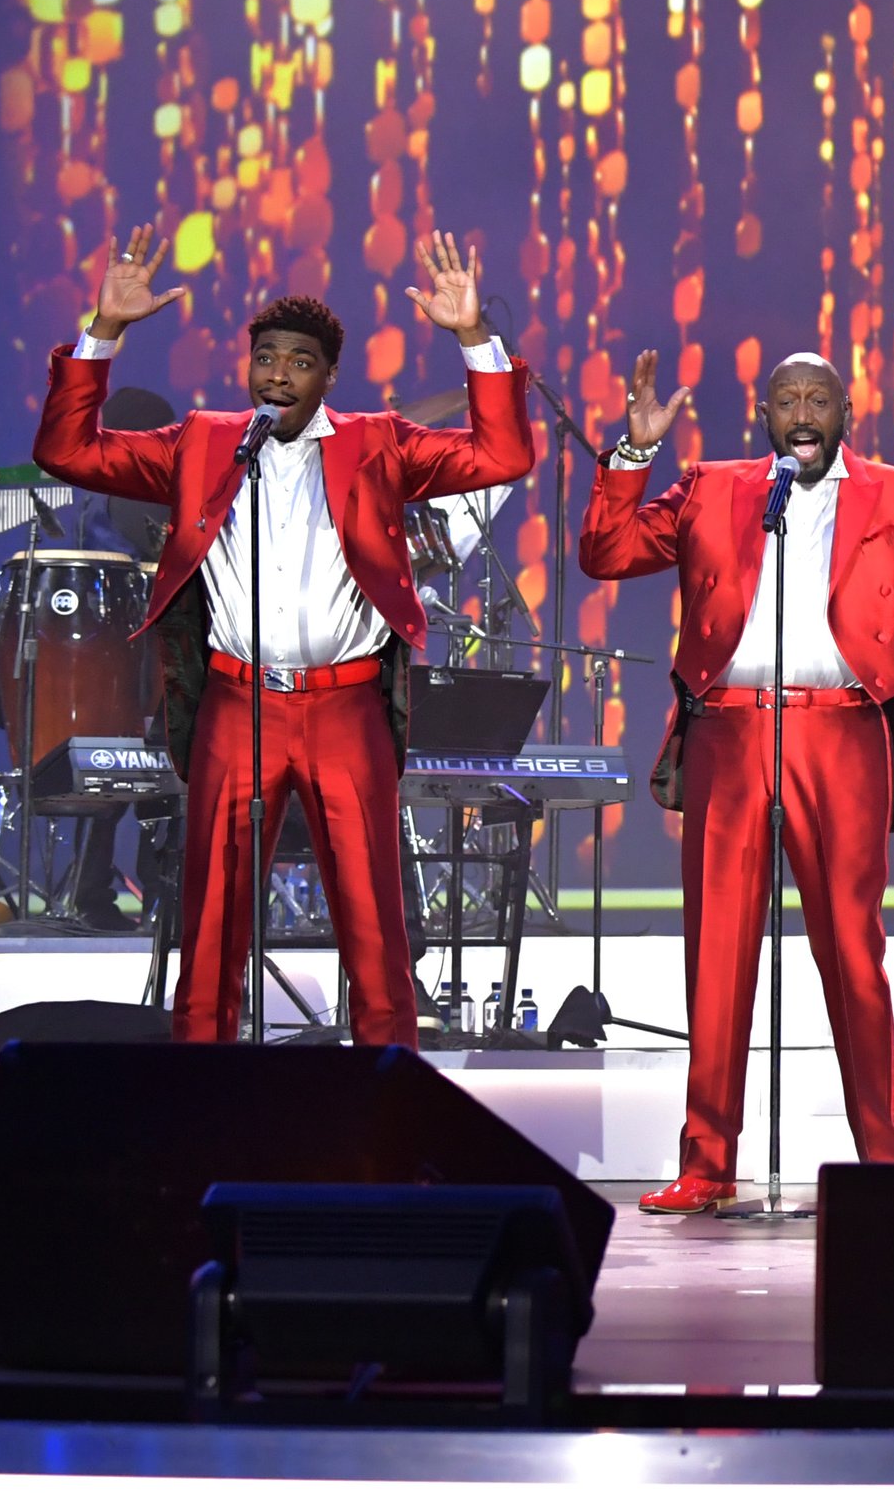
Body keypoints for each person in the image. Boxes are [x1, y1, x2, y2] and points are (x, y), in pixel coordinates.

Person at [32, 224, 533, 1045]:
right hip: (236, 705)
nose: (278, 373)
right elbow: (65, 448)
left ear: (328, 376)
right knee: (211, 940)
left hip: (345, 709)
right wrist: (105, 332)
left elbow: (503, 453)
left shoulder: (380, 442)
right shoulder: (203, 441)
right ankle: (202, 1130)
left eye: (299, 361)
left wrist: (473, 339)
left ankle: (391, 1127)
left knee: (375, 937)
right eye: (266, 356)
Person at [581, 349, 894, 1214]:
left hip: (841, 731)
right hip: (729, 732)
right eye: (789, 399)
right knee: (717, 956)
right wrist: (633, 457)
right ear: (764, 413)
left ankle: (880, 1162)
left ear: (848, 409)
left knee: (853, 955)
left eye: (820, 397)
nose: (805, 412)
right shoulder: (713, 487)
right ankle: (706, 1162)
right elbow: (606, 552)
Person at [71, 384, 175, 931]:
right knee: (133, 776)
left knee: (145, 776)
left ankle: (108, 897)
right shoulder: (118, 497)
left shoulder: (124, 491)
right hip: (128, 651)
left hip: (131, 653)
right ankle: (119, 897)